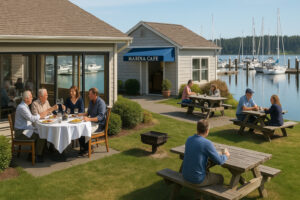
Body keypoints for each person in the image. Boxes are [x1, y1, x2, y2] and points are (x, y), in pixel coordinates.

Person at [182, 120, 230, 186]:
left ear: (197, 129)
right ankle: (212, 196)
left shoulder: (189, 139)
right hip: (197, 180)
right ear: (207, 131)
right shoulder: (207, 143)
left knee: (204, 169)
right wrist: (225, 155)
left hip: (185, 176)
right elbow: (219, 161)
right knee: (220, 177)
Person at [14, 90, 47, 162]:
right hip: (20, 133)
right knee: (41, 135)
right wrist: (40, 116)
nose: (32, 98)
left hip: (24, 130)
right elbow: (32, 118)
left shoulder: (25, 106)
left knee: (39, 132)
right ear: (26, 99)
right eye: (31, 97)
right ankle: (36, 156)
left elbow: (30, 119)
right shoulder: (22, 107)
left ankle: (33, 154)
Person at [78, 88, 107, 155]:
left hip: (100, 125)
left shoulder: (101, 103)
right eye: (89, 94)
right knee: (80, 128)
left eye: (90, 94)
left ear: (95, 94)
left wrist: (88, 119)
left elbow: (100, 117)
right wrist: (79, 114)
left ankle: (88, 149)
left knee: (85, 130)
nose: (88, 95)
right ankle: (85, 148)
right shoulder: (91, 102)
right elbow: (88, 113)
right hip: (92, 122)